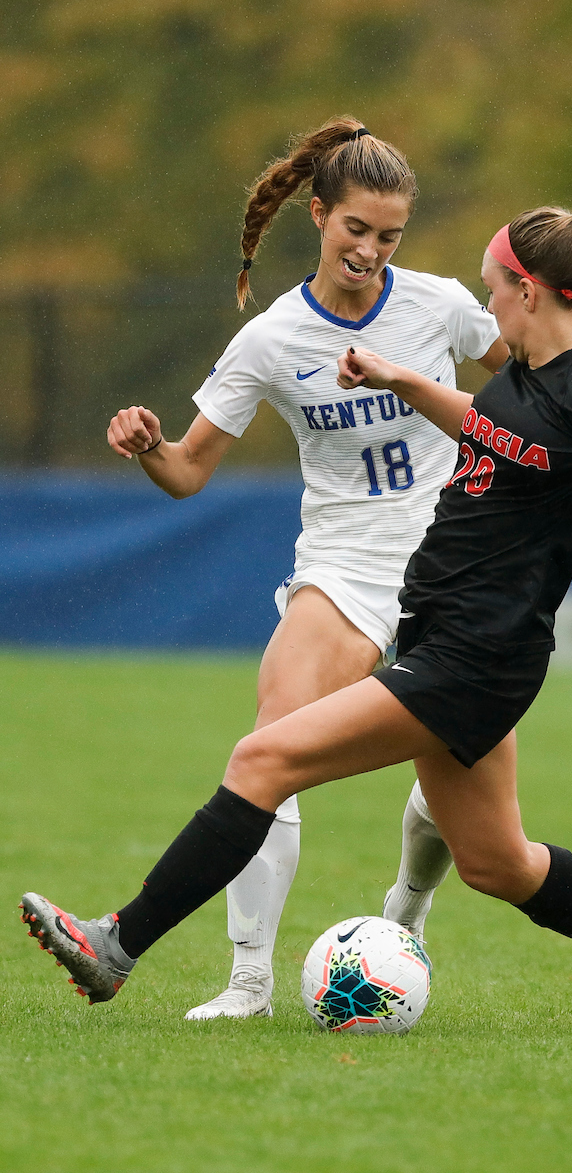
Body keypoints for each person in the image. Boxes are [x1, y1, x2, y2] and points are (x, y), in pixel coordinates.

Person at [23, 204, 572, 1035]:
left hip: (475, 656)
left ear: (529, 291)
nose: (489, 308)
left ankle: (113, 949)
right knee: (497, 863)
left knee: (264, 756)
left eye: (495, 291)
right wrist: (405, 382)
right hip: (452, 640)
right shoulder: (530, 370)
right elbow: (494, 431)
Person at [103, 117, 506, 1020]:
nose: (369, 249)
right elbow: (188, 471)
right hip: (343, 569)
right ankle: (248, 982)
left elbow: (524, 378)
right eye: (355, 228)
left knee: (459, 782)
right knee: (271, 740)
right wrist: (147, 446)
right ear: (318, 213)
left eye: (389, 235)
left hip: (456, 568)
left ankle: (407, 904)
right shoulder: (273, 340)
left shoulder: (439, 305)